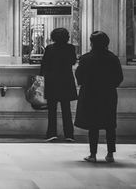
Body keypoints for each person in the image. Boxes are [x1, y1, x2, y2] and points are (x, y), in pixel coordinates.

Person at [75, 31, 123, 163]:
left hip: (90, 94)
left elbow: (79, 76)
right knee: (110, 125)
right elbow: (119, 77)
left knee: (93, 125)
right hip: (108, 94)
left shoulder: (85, 58)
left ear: (92, 43)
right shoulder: (113, 58)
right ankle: (110, 154)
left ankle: (93, 154)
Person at [40, 28, 77, 142]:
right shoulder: (71, 48)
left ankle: (51, 133)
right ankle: (69, 134)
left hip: (52, 82)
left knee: (52, 110)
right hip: (66, 81)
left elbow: (44, 65)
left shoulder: (50, 48)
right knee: (66, 109)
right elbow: (73, 61)